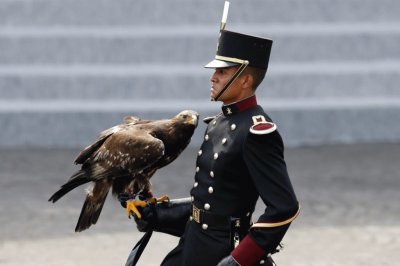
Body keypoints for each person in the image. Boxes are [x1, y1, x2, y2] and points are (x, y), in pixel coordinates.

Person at [123, 29, 300, 266]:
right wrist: (160, 215)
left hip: (224, 254)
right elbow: (211, 204)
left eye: (222, 72)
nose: (213, 77)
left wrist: (238, 261)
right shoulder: (217, 123)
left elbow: (285, 208)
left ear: (246, 80)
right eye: (215, 70)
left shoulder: (258, 132)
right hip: (193, 245)